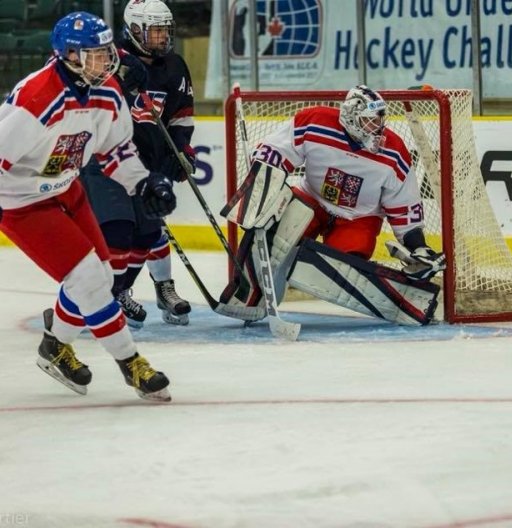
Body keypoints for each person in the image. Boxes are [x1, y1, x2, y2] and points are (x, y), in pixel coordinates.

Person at [0, 11, 176, 402]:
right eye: (95, 53)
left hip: (66, 186)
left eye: (106, 51)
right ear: (70, 56)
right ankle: (132, 364)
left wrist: (142, 181)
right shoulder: (36, 100)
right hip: (22, 202)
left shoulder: (107, 91)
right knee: (88, 280)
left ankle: (54, 346)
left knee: (104, 270)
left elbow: (116, 149)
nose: (107, 59)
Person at [219, 85, 446, 326]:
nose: (378, 128)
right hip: (312, 202)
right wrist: (262, 188)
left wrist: (419, 247)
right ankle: (247, 297)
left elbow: (404, 207)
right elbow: (273, 152)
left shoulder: (395, 151)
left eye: (380, 120)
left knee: (343, 270)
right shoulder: (314, 121)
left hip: (359, 218)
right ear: (351, 117)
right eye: (370, 121)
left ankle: (407, 304)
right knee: (274, 235)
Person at [81, 0, 195, 328]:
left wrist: (182, 150)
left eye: (165, 30)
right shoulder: (110, 61)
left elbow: (182, 115)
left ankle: (120, 291)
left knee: (147, 234)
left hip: (152, 165)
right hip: (108, 162)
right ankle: (90, 301)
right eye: (156, 30)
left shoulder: (175, 66)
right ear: (134, 30)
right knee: (118, 231)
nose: (163, 37)